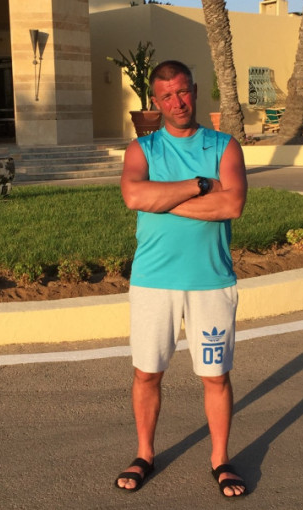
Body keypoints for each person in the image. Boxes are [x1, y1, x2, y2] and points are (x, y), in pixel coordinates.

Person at [114, 60, 248, 498]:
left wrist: (162, 200)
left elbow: (231, 206)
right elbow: (134, 195)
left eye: (183, 91)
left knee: (216, 377)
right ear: (156, 102)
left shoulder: (224, 146)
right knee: (147, 374)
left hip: (211, 281)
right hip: (153, 282)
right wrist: (200, 186)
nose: (178, 102)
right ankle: (144, 454)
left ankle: (220, 460)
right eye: (167, 95)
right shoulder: (143, 150)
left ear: (195, 90)